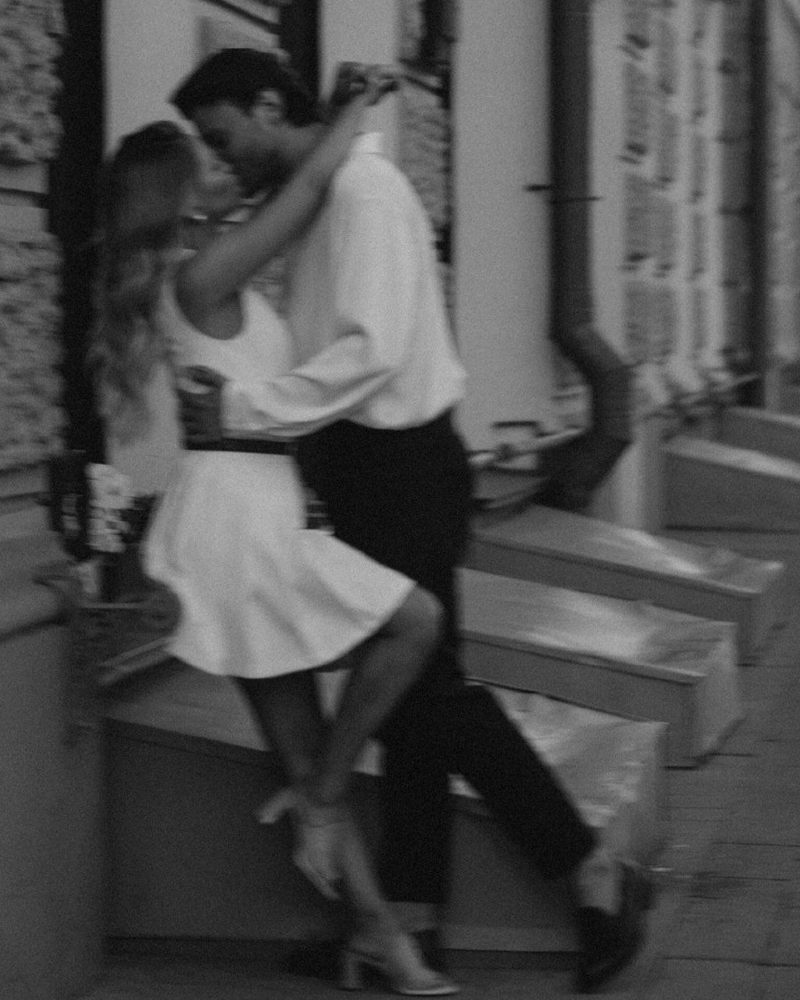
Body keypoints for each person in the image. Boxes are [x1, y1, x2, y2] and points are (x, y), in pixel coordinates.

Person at [171, 48, 653, 993]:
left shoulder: (364, 194)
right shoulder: (325, 195)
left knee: (427, 690)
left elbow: (372, 353)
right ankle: (416, 922)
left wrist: (245, 414)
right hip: (365, 466)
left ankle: (588, 867)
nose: (221, 161)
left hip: (401, 466)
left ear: (268, 105)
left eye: (224, 139)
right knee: (408, 701)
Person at [92, 69, 460, 997]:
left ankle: (370, 923)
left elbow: (294, 200)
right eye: (208, 163)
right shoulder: (200, 278)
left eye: (221, 150)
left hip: (256, 505)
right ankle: (337, 823)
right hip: (236, 516)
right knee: (415, 622)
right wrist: (351, 113)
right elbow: (303, 192)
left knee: (318, 724)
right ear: (181, 200)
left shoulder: (207, 265)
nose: (226, 169)